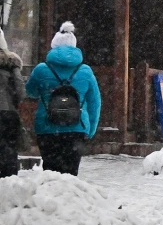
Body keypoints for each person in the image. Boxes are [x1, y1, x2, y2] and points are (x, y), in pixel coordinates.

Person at [25, 22, 101, 175]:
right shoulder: (85, 71)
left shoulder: (41, 69)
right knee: (71, 173)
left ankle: (50, 196)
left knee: (50, 173)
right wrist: (90, 129)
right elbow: (95, 102)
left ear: (54, 46)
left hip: (47, 126)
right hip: (76, 128)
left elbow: (30, 92)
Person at [0, 29, 25, 178]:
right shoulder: (11, 64)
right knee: (9, 148)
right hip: (8, 113)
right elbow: (21, 90)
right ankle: (8, 181)